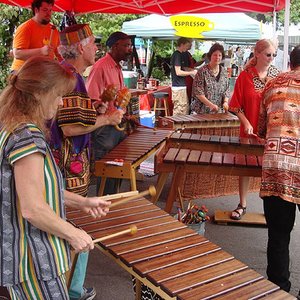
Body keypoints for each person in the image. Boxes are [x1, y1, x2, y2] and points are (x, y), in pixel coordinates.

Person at [0, 56, 111, 300]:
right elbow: (32, 209)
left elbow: (32, 188)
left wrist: (83, 202)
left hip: (26, 255)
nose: (61, 102)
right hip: (33, 258)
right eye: (59, 95)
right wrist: (73, 233)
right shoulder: (27, 137)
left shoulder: (12, 126)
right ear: (40, 94)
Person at [49, 24, 123, 300]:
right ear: (80, 47)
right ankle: (71, 290)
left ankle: (69, 287)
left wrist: (94, 109)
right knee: (71, 228)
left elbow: (69, 116)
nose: (96, 49)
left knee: (65, 226)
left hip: (66, 167)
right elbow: (68, 129)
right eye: (93, 44)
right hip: (67, 169)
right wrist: (107, 119)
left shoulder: (66, 73)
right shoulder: (70, 77)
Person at [257, 45, 300, 297]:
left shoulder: (272, 84)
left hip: (276, 169)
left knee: (279, 234)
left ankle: (278, 291)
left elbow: (263, 128)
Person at [228, 39, 280, 220]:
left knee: (270, 170)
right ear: (257, 54)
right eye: (268, 54)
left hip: (272, 132)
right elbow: (235, 105)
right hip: (249, 132)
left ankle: (270, 209)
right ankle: (242, 204)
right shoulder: (245, 76)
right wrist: (246, 122)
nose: (271, 58)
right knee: (245, 167)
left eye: (274, 55)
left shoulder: (277, 75)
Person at [86, 31, 133, 195]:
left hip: (116, 124)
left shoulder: (116, 66)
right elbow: (91, 98)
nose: (130, 49)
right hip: (105, 128)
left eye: (130, 45)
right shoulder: (101, 67)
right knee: (107, 171)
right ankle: (104, 208)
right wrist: (101, 106)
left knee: (117, 169)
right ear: (114, 46)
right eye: (126, 45)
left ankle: (113, 204)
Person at [11, 0, 60, 72]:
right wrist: (41, 51)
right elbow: (17, 54)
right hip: (21, 73)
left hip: (41, 73)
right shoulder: (25, 28)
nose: (49, 13)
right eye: (45, 10)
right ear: (36, 10)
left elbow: (59, 53)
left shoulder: (54, 30)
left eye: (50, 10)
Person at [190, 43, 230, 114]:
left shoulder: (224, 72)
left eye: (220, 55)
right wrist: (210, 105)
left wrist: (225, 102)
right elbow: (198, 92)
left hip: (219, 112)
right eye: (215, 55)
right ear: (210, 56)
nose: (217, 57)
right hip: (202, 111)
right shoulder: (202, 71)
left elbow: (227, 90)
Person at [170, 37, 197, 115]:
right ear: (182, 44)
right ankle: (177, 126)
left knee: (184, 108)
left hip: (181, 86)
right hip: (178, 87)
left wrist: (193, 70)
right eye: (187, 45)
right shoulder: (177, 55)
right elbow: (178, 72)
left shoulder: (179, 55)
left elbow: (183, 68)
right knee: (180, 110)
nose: (187, 48)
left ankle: (181, 126)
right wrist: (191, 73)